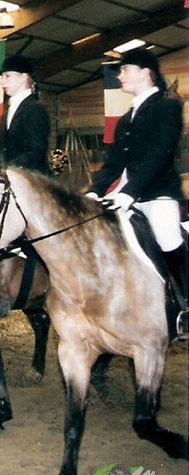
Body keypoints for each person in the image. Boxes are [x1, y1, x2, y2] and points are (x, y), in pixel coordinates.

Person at [87, 48, 186, 332]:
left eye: (125, 70)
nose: (119, 76)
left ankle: (185, 302)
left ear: (145, 72)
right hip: (124, 194)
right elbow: (114, 164)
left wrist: (130, 193)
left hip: (158, 193)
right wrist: (94, 191)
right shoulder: (124, 119)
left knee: (167, 237)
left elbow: (159, 155)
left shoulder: (167, 107)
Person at [0, 55, 50, 175]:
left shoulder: (35, 109)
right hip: (9, 177)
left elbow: (37, 151)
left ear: (23, 77)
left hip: (31, 178)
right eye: (2, 77)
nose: (1, 81)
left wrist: (9, 168)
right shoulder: (7, 111)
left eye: (7, 76)